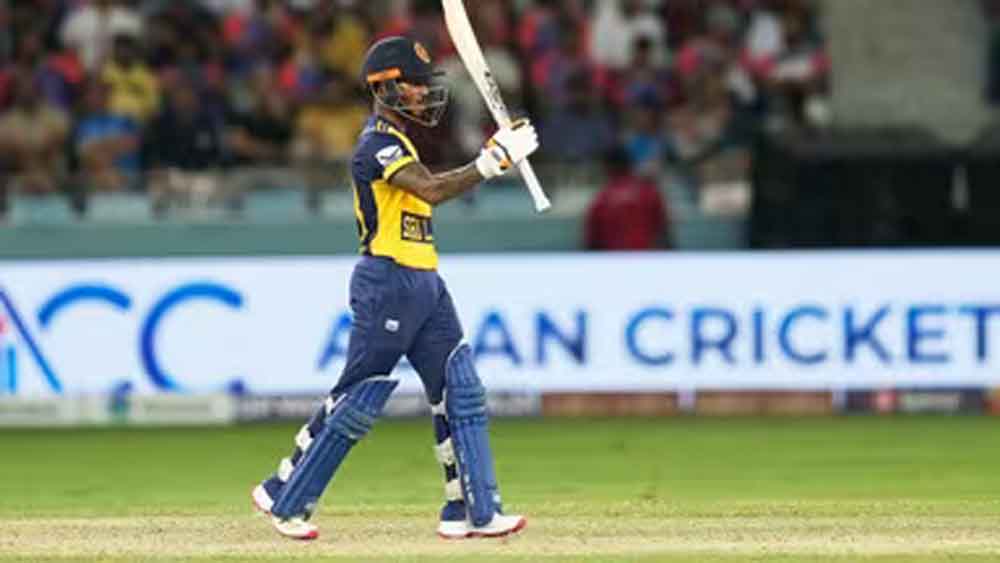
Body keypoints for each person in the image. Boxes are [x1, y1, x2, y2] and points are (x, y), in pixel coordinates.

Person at [250, 36, 538, 541]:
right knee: (359, 395)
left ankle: (471, 509)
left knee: (461, 390)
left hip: (426, 280)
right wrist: (491, 162)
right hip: (388, 280)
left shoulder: (403, 144)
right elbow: (431, 189)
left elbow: (433, 186)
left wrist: (496, 156)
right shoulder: (376, 144)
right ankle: (286, 497)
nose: (425, 94)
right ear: (385, 88)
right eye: (416, 85)